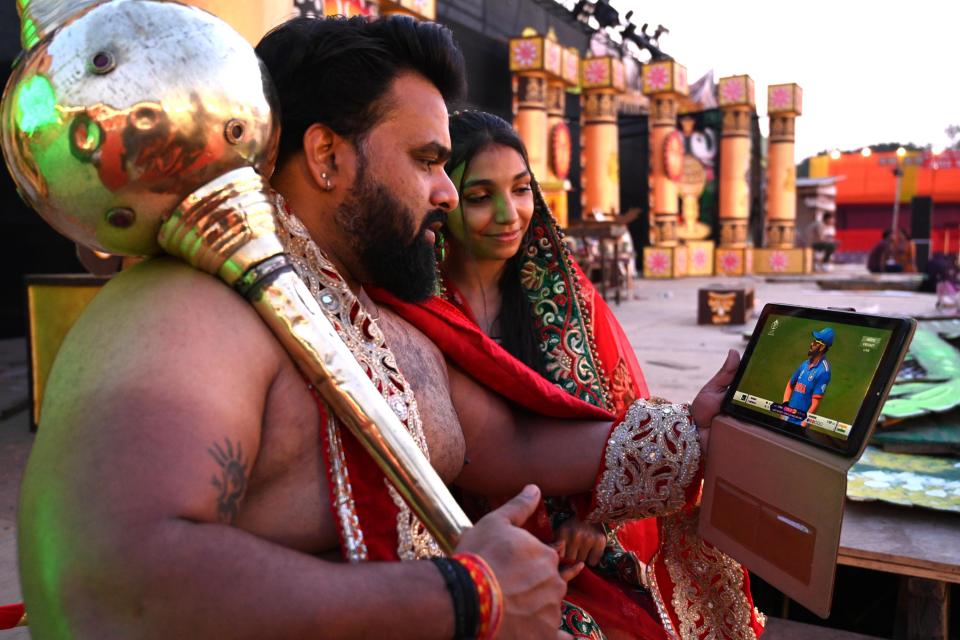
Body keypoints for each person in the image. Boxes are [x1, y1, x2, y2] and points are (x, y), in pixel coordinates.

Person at [12, 15, 743, 639]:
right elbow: (106, 585)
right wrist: (468, 596)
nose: (447, 193)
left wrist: (690, 439)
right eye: (428, 160)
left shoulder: (388, 319)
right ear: (328, 155)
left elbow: (508, 443)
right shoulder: (187, 310)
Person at [373, 111, 765, 639]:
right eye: (481, 196)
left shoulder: (568, 297)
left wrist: (595, 520)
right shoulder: (418, 311)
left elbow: (620, 412)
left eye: (520, 189)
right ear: (445, 202)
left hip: (577, 538)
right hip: (467, 536)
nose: (509, 213)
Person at [782, 328, 834, 427]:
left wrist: (803, 424)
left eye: (815, 342)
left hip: (799, 423)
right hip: (787, 416)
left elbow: (815, 403)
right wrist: (784, 405)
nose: (811, 344)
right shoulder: (805, 364)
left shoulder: (824, 371)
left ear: (822, 347)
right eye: (813, 341)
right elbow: (790, 384)